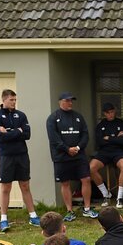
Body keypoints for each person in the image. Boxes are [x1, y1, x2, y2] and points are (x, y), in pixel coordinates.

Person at [0, 88, 40, 231]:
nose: (13, 102)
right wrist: (17, 131)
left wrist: (11, 132)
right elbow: (1, 137)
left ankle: (33, 216)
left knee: (25, 185)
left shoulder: (21, 115)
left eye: (15, 100)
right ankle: (4, 219)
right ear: (4, 100)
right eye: (11, 100)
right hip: (6, 156)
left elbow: (27, 134)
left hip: (22, 155)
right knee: (6, 187)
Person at [46, 91, 96, 222]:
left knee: (85, 179)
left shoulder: (78, 117)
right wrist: (67, 149)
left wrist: (78, 148)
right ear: (60, 102)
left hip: (79, 155)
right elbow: (54, 138)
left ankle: (87, 208)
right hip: (61, 156)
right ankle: (70, 210)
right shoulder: (53, 118)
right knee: (65, 183)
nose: (70, 103)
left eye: (71, 100)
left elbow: (85, 135)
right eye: (67, 100)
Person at [90, 102, 123, 209]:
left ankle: (119, 197)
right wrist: (116, 138)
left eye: (112, 112)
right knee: (91, 168)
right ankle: (106, 194)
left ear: (115, 111)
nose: (110, 114)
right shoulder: (100, 125)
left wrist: (108, 138)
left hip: (118, 151)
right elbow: (99, 142)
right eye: (108, 113)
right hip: (104, 152)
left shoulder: (122, 124)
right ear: (104, 113)